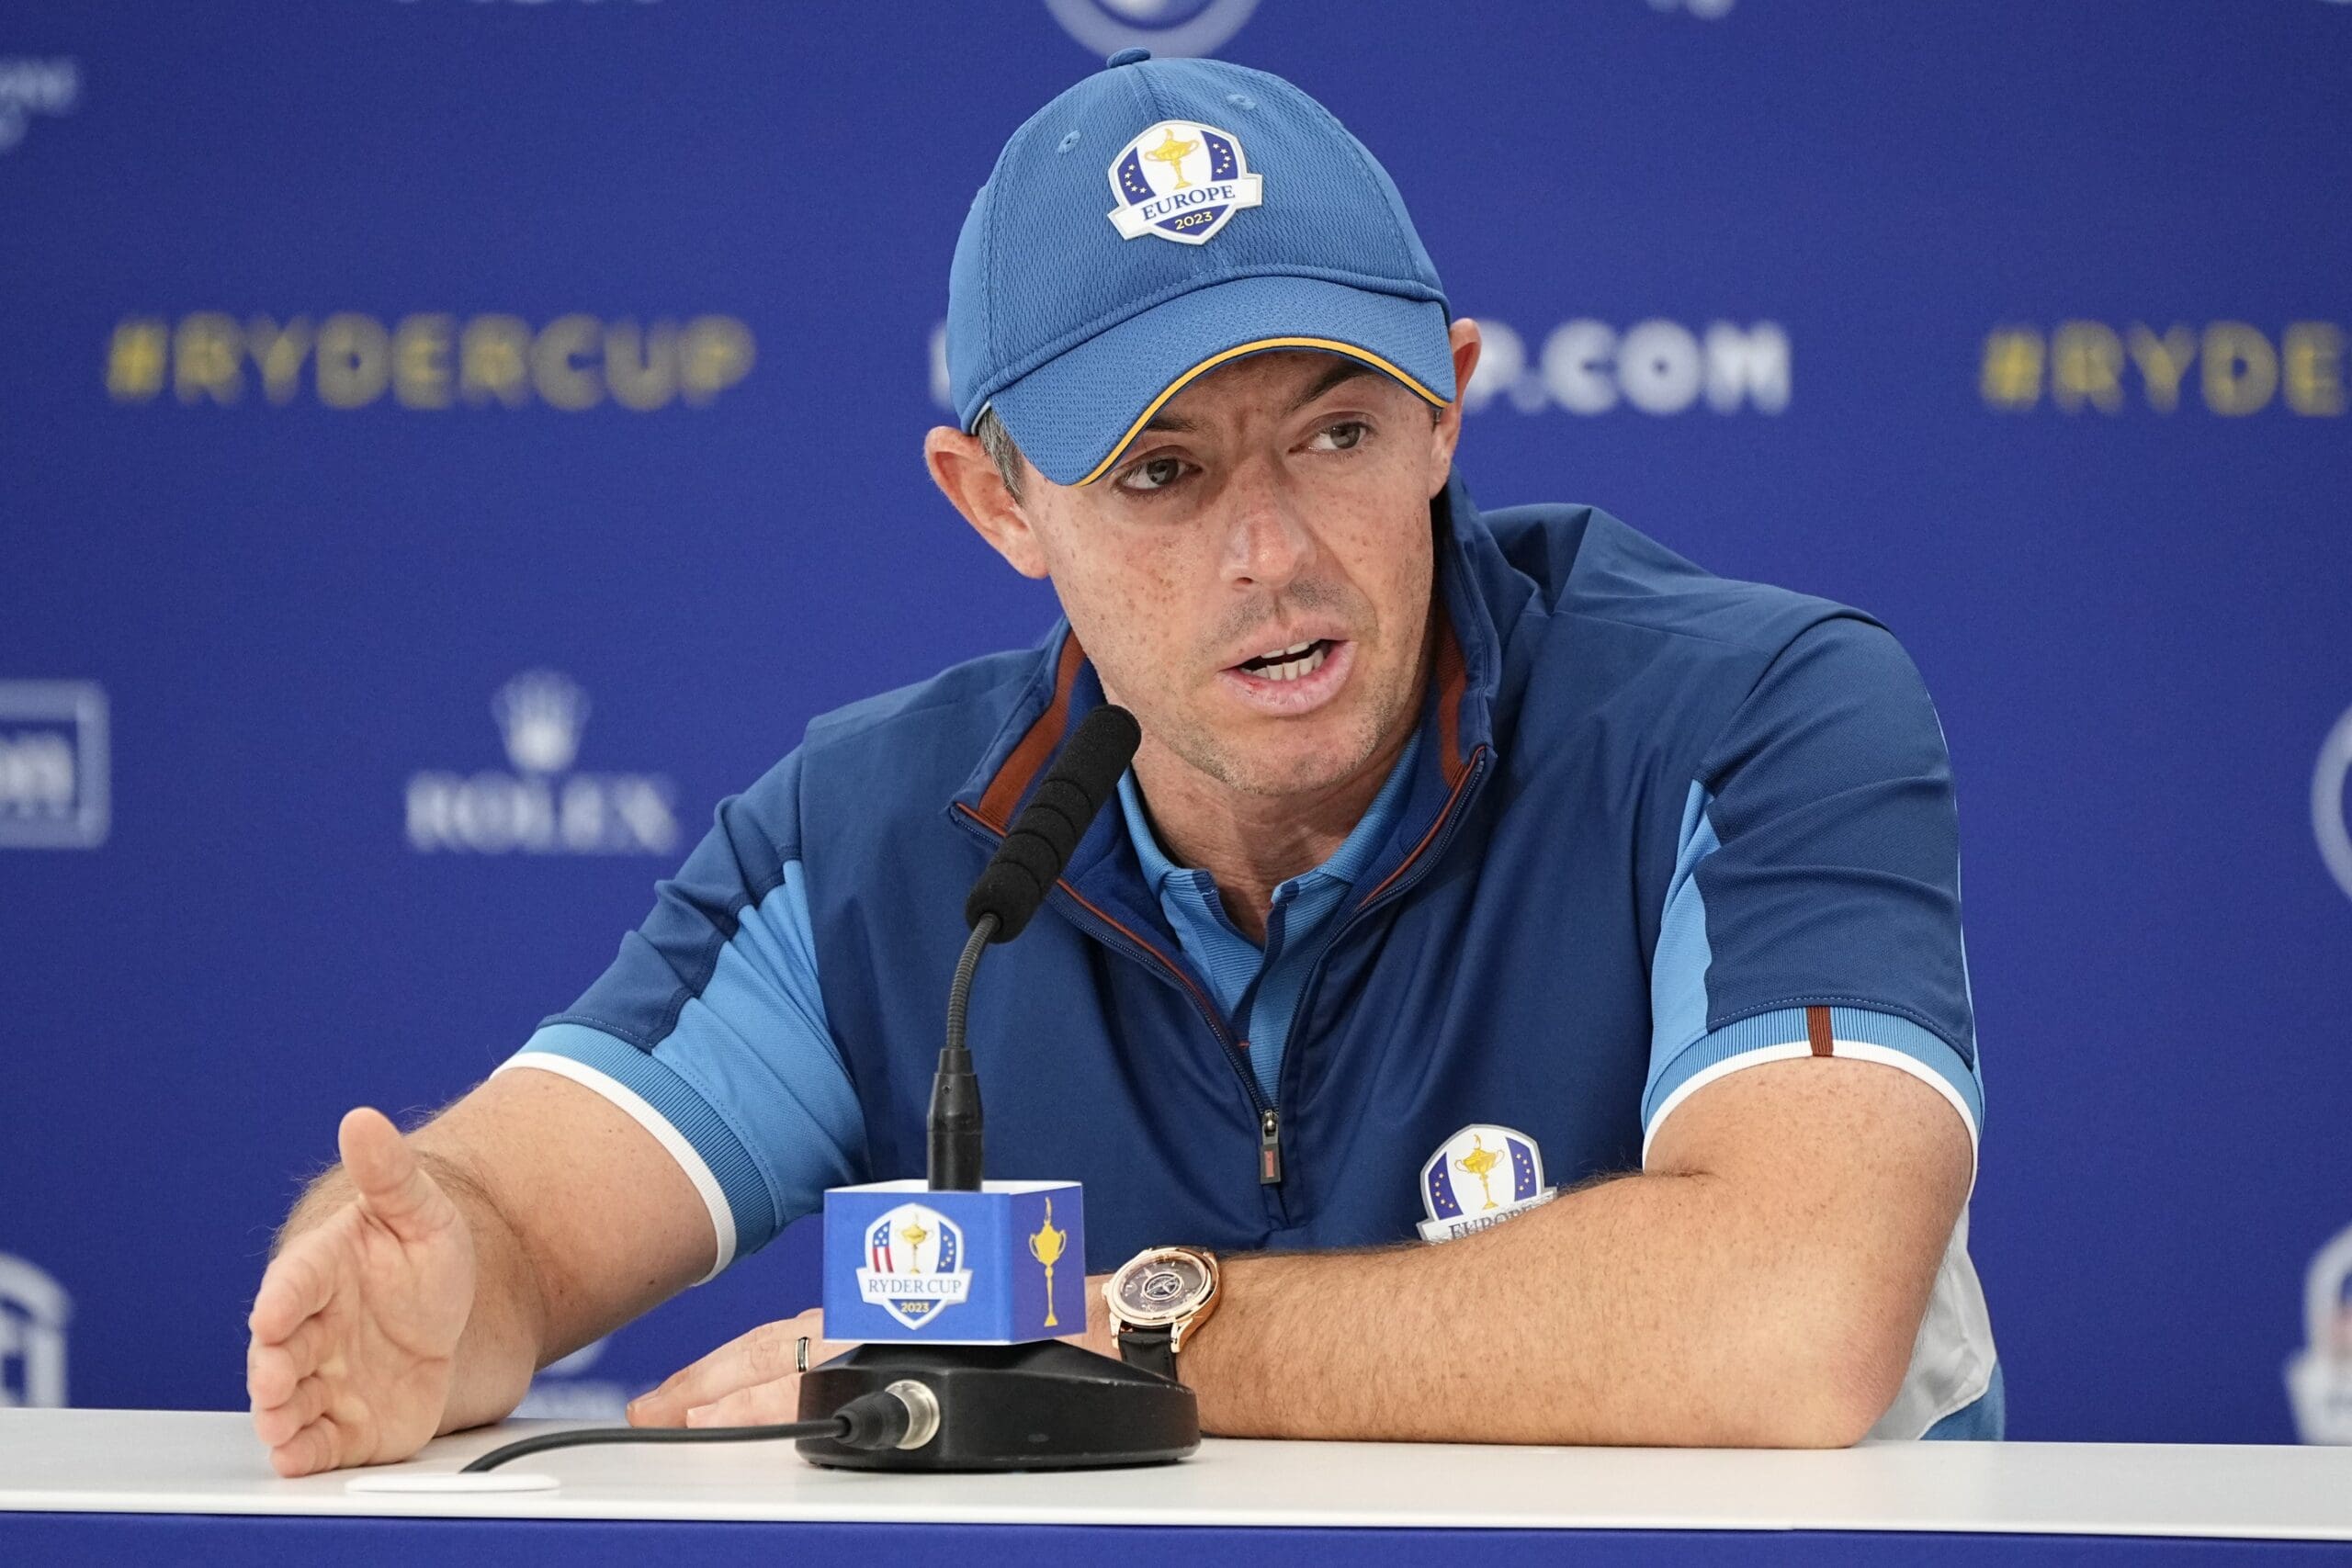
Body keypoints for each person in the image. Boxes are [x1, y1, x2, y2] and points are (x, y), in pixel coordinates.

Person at [247, 52, 1996, 1478]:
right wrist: (446, 1293)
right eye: (1160, 475)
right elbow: (515, 1219)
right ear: (994, 499)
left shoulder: (1758, 712)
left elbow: (1793, 1314)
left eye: (1338, 431)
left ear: (1451, 407)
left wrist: (1114, 1339)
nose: (1274, 555)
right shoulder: (875, 828)